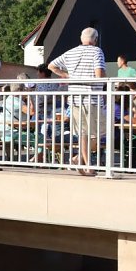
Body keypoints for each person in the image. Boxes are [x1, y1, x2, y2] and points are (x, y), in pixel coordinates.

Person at [48, 27, 107, 176]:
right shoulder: (97, 51)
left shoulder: (71, 52)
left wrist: (66, 75)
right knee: (102, 132)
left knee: (83, 133)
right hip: (91, 97)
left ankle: (82, 162)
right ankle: (84, 162)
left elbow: (51, 65)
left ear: (82, 38)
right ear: (95, 39)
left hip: (75, 98)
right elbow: (99, 74)